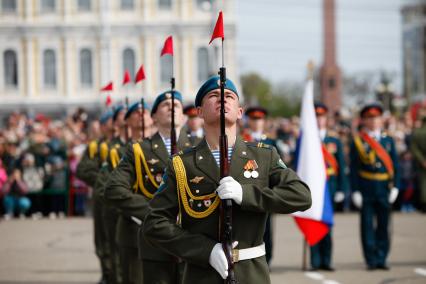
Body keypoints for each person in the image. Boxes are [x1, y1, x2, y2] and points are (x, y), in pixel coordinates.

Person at [142, 76, 311, 283]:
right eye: (213, 96)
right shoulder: (182, 164)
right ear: (199, 112)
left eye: (229, 96)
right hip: (201, 274)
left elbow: (301, 195)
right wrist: (206, 250)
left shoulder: (264, 156)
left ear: (240, 112)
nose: (222, 99)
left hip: (251, 274)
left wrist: (246, 194)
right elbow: (154, 223)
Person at [104, 91, 195, 284]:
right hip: (153, 240)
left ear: (184, 116)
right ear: (153, 116)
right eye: (165, 105)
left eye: (176, 105)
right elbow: (114, 188)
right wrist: (154, 214)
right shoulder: (139, 149)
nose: (171, 108)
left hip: (192, 240)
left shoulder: (199, 147)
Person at [350, 103, 400, 270]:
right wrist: (355, 190)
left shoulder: (388, 140)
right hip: (366, 188)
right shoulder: (358, 141)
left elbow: (395, 165)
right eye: (370, 118)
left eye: (377, 118)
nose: (374, 121)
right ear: (364, 121)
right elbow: (354, 168)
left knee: (384, 225)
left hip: (384, 188)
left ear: (381, 120)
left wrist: (396, 187)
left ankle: (382, 257)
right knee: (367, 226)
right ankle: (371, 259)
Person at [310, 103, 348, 271]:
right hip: (312, 187)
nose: (319, 119)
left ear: (326, 118)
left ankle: (327, 260)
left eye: (322, 116)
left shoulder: (334, 141)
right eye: (316, 116)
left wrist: (342, 188)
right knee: (313, 223)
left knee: (327, 224)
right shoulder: (307, 139)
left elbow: (341, 166)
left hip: (330, 186)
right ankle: (315, 261)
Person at [241, 106, 278, 266]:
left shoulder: (270, 142)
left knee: (267, 229)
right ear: (248, 121)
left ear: (264, 121)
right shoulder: (242, 140)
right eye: (253, 119)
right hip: (247, 189)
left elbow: (278, 168)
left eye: (259, 119)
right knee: (247, 228)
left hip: (266, 190)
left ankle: (267, 259)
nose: (256, 123)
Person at [411, 107, 426, 212]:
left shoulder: (417, 132)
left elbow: (414, 148)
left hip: (422, 162)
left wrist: (422, 160)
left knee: (423, 183)